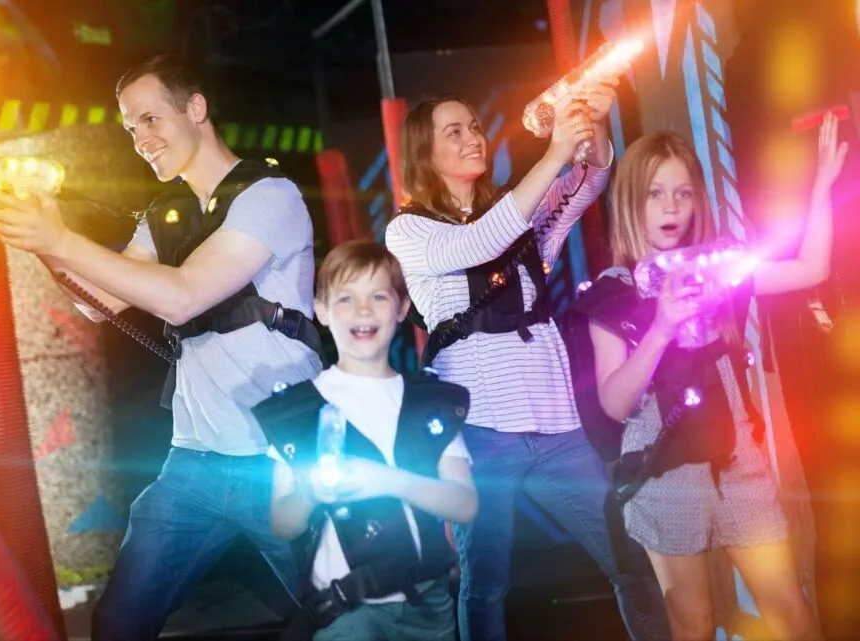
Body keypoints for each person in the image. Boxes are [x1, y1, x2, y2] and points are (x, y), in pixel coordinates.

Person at [0, 54, 325, 640]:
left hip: (281, 458)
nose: (141, 138)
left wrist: (63, 239)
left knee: (339, 611)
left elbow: (184, 296)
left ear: (195, 109)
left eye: (150, 119)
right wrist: (47, 241)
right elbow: (92, 301)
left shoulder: (270, 196)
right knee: (119, 622)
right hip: (192, 461)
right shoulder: (165, 215)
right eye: (130, 127)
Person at [385, 89, 670, 641]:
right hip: (481, 435)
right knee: (485, 583)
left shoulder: (521, 213)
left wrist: (593, 123)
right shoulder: (410, 231)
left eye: (474, 126)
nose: (473, 137)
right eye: (455, 132)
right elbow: (476, 243)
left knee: (628, 559)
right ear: (425, 152)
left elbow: (588, 180)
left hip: (559, 430)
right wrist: (552, 154)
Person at [569, 116, 845, 640]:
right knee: (693, 622)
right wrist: (661, 327)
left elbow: (810, 269)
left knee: (791, 610)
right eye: (655, 194)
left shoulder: (716, 268)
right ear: (630, 202)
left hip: (738, 460)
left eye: (682, 193)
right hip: (662, 472)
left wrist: (822, 189)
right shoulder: (613, 293)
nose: (672, 207)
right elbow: (614, 403)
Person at [252, 240, 478, 641]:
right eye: (346, 298)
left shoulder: (431, 403)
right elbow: (283, 523)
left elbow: (464, 504)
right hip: (347, 613)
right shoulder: (296, 412)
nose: (363, 310)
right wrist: (311, 492)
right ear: (320, 311)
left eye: (378, 296)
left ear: (402, 308)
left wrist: (387, 480)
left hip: (431, 607)